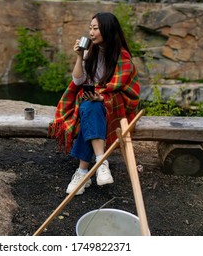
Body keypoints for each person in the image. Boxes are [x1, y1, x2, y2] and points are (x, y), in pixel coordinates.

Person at [48, 12, 140, 195]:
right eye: (90, 28)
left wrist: (102, 97)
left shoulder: (122, 56)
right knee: (91, 106)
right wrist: (79, 56)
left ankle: (83, 172)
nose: (91, 32)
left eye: (95, 28)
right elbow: (78, 81)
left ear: (107, 29)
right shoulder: (90, 51)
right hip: (92, 100)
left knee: (90, 110)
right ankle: (101, 162)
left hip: (116, 104)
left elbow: (123, 89)